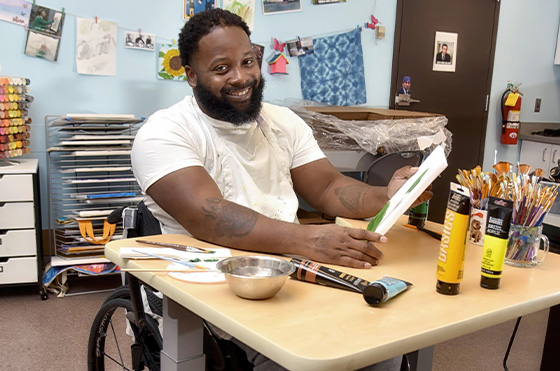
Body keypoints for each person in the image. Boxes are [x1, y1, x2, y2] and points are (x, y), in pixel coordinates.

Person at [131, 8, 432, 370]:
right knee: (301, 359)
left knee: (378, 345)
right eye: (222, 68)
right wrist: (309, 241)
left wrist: (388, 195)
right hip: (206, 285)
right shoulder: (164, 133)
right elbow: (207, 215)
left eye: (247, 61)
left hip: (288, 271)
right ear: (192, 76)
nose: (241, 77)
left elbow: (327, 186)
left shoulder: (282, 123)